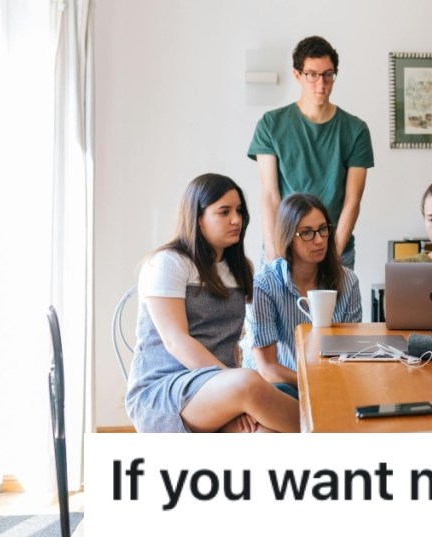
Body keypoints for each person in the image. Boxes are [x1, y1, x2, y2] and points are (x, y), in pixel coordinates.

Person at [125, 174, 299, 433]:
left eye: (239, 211)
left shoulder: (238, 268)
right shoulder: (168, 263)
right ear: (197, 217)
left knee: (267, 435)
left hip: (219, 391)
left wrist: (234, 395)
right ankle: (335, 434)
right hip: (164, 393)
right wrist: (234, 385)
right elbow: (176, 341)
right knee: (249, 383)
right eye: (224, 212)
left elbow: (233, 344)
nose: (236, 220)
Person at [248, 36, 374, 269]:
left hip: (335, 248)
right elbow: (270, 194)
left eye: (328, 74)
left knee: (335, 307)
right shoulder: (271, 125)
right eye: (312, 74)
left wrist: (333, 256)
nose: (321, 83)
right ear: (297, 75)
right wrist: (274, 252)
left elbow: (352, 201)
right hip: (284, 247)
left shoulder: (356, 130)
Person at [244, 194, 362, 396]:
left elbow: (350, 354)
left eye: (323, 229)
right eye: (306, 233)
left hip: (330, 383)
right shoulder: (264, 284)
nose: (318, 240)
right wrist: (315, 381)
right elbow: (268, 369)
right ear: (288, 237)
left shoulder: (348, 281)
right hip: (278, 386)